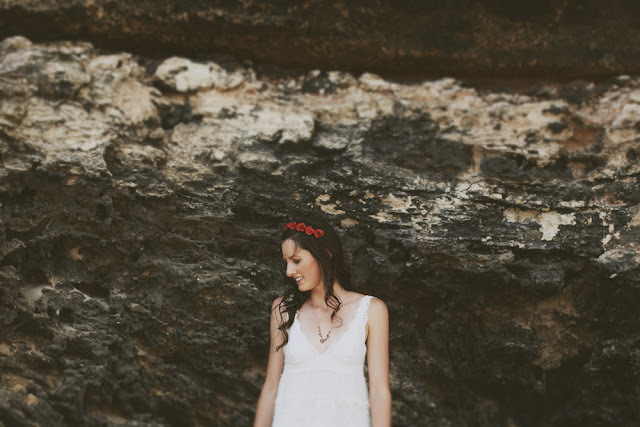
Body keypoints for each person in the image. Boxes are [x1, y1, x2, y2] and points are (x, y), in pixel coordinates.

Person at [254, 215, 391, 427]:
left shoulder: (371, 310)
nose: (289, 271)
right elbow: (271, 385)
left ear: (325, 256)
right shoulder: (283, 309)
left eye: (296, 260)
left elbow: (379, 391)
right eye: (286, 263)